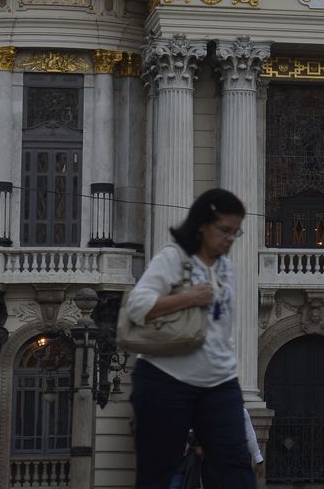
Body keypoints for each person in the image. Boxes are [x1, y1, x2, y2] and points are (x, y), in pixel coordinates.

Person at [126, 188, 257, 489]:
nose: (230, 239)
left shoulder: (226, 270)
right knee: (156, 473)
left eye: (236, 233)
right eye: (225, 230)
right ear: (202, 225)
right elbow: (137, 306)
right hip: (165, 377)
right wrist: (186, 298)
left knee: (236, 467)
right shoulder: (173, 258)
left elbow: (223, 329)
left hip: (217, 382)